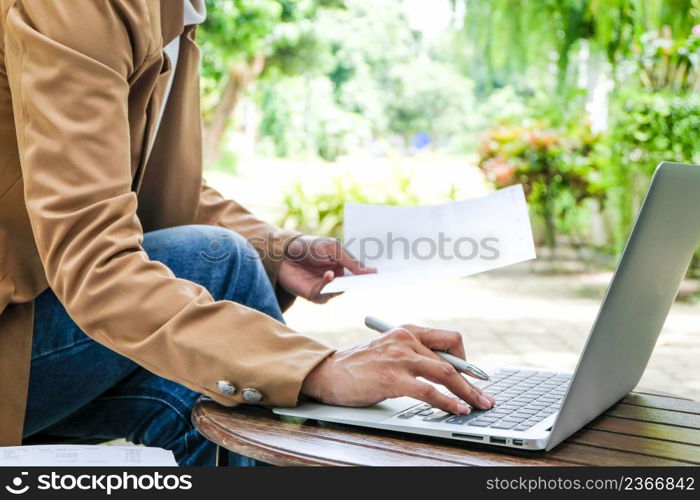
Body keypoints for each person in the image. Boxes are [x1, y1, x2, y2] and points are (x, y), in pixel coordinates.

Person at [0, 0, 494, 465]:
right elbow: (96, 266)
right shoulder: (82, 8)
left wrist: (276, 250)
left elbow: (156, 185)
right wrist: (316, 367)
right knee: (219, 264)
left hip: (35, 332)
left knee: (216, 394)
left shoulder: (175, 14)